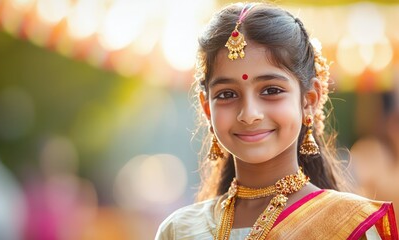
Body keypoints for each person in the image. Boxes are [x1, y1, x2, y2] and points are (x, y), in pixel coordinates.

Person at [155, 2, 398, 239]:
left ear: (309, 100)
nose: (249, 114)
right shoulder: (180, 230)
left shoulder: (348, 225)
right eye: (227, 94)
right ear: (207, 107)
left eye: (271, 90)